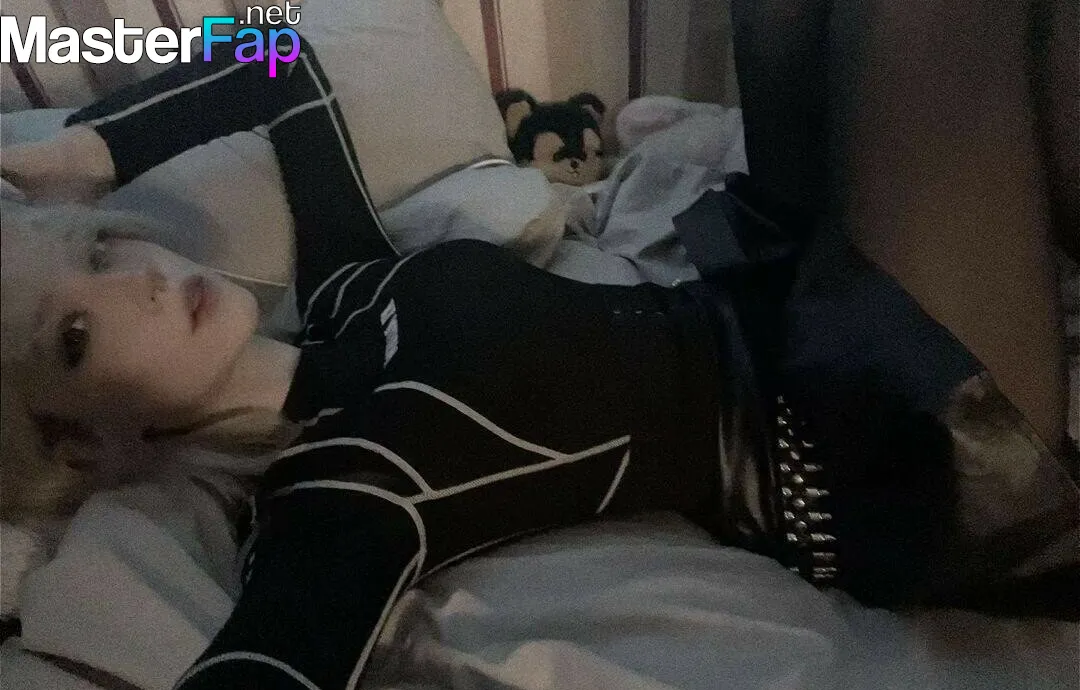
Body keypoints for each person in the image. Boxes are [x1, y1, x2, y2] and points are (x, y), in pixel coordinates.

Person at [1, 2, 1076, 689]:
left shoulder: (343, 288)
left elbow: (280, 54)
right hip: (865, 444)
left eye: (101, 248)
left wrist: (87, 153)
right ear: (79, 444)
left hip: (770, 293)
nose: (138, 278)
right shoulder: (337, 491)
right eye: (77, 334)